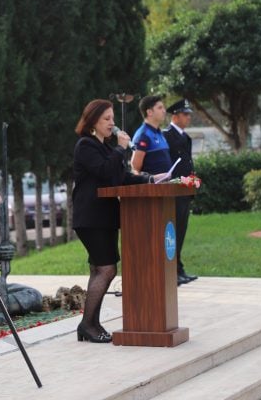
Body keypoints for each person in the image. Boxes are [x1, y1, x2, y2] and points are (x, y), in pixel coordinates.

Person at [72, 99, 152, 343]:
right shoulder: (85, 145)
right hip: (91, 217)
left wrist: (148, 179)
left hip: (104, 217)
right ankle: (87, 324)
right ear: (93, 121)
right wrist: (120, 149)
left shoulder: (104, 147)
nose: (112, 123)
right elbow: (106, 174)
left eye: (112, 119)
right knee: (107, 269)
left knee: (99, 269)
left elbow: (119, 177)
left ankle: (92, 324)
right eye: (106, 119)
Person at [164, 99, 198, 284]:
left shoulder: (185, 137)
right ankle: (172, 269)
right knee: (173, 231)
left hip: (185, 190)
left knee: (181, 230)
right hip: (174, 190)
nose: (188, 117)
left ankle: (179, 267)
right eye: (185, 114)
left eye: (189, 114)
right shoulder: (167, 135)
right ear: (175, 116)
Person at [131, 95, 173, 183]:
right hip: (152, 191)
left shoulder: (159, 133)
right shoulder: (143, 135)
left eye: (163, 108)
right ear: (149, 112)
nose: (164, 111)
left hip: (165, 188)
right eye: (160, 108)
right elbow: (135, 169)